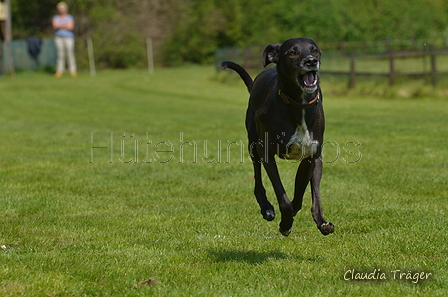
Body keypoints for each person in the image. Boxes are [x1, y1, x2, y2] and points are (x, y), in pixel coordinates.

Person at [52, 2, 77, 77]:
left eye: (62, 8)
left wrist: (60, 25)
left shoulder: (70, 17)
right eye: (60, 9)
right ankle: (59, 71)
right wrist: (65, 25)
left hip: (69, 38)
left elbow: (70, 27)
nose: (61, 10)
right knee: (60, 54)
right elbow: (55, 26)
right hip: (59, 38)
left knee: (70, 54)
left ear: (66, 9)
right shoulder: (56, 17)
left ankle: (73, 71)